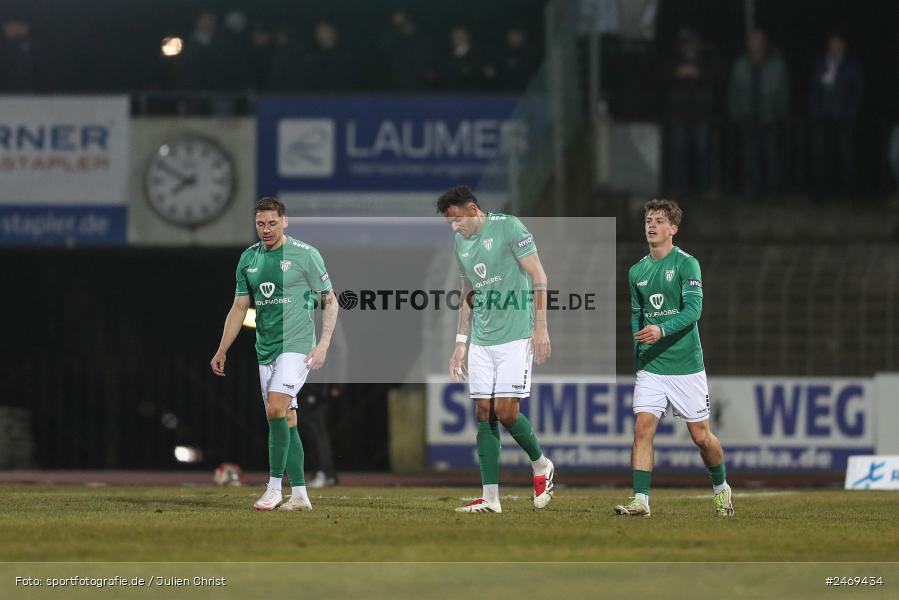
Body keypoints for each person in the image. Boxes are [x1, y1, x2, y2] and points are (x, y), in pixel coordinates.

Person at [211, 197, 339, 511]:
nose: (266, 229)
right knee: (286, 419)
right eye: (260, 224)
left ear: (284, 222)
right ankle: (300, 496)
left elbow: (330, 300)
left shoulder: (306, 254)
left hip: (297, 345)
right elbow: (239, 307)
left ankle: (273, 488)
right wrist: (222, 348)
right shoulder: (248, 259)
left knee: (275, 408)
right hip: (265, 348)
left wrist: (323, 344)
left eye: (272, 223)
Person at [438, 186, 554, 513]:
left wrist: (541, 326)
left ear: (473, 209)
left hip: (515, 335)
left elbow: (539, 274)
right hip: (481, 339)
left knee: (506, 412)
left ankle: (541, 464)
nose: (454, 227)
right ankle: (490, 498)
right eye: (449, 223)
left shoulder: (509, 227)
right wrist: (460, 343)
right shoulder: (461, 242)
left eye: (457, 220)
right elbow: (467, 292)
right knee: (483, 412)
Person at [615, 198, 733, 518]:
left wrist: (661, 329)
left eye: (659, 221)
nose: (651, 225)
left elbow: (694, 310)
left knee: (701, 437)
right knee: (642, 429)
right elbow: (637, 315)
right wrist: (639, 351)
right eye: (648, 220)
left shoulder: (686, 264)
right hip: (652, 366)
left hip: (686, 366)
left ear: (673, 229)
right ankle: (641, 500)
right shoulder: (636, 271)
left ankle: (721, 487)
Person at [727, 30, 790, 197]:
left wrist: (780, 111)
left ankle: (775, 191)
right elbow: (734, 90)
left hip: (770, 116)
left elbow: (783, 90)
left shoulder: (776, 63)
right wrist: (736, 112)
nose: (755, 44)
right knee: (750, 157)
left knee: (772, 156)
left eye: (758, 40)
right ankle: (753, 190)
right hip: (748, 116)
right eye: (752, 40)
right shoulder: (740, 64)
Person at [809, 33, 864, 201]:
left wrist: (850, 113)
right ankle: (820, 192)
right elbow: (814, 88)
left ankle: (848, 192)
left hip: (844, 117)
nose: (834, 47)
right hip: (823, 117)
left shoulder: (851, 64)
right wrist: (815, 111)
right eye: (832, 43)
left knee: (846, 155)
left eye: (838, 43)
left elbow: (857, 91)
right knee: (821, 155)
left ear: (844, 45)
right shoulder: (821, 62)